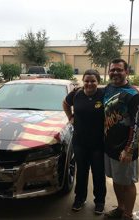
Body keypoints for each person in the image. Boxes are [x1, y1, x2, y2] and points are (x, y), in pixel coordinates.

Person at [103, 58, 139, 220]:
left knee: (127, 183)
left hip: (125, 149)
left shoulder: (134, 95)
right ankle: (120, 208)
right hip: (110, 147)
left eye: (119, 70)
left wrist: (129, 150)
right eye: (112, 70)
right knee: (116, 180)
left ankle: (128, 215)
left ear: (126, 72)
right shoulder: (108, 89)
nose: (115, 73)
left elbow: (138, 124)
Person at [62, 69, 106, 214]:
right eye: (86, 80)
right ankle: (80, 198)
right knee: (81, 172)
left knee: (98, 173)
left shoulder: (103, 94)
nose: (89, 83)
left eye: (93, 81)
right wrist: (70, 117)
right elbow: (65, 103)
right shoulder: (76, 94)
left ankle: (99, 201)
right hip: (80, 142)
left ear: (98, 82)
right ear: (83, 81)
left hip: (98, 143)